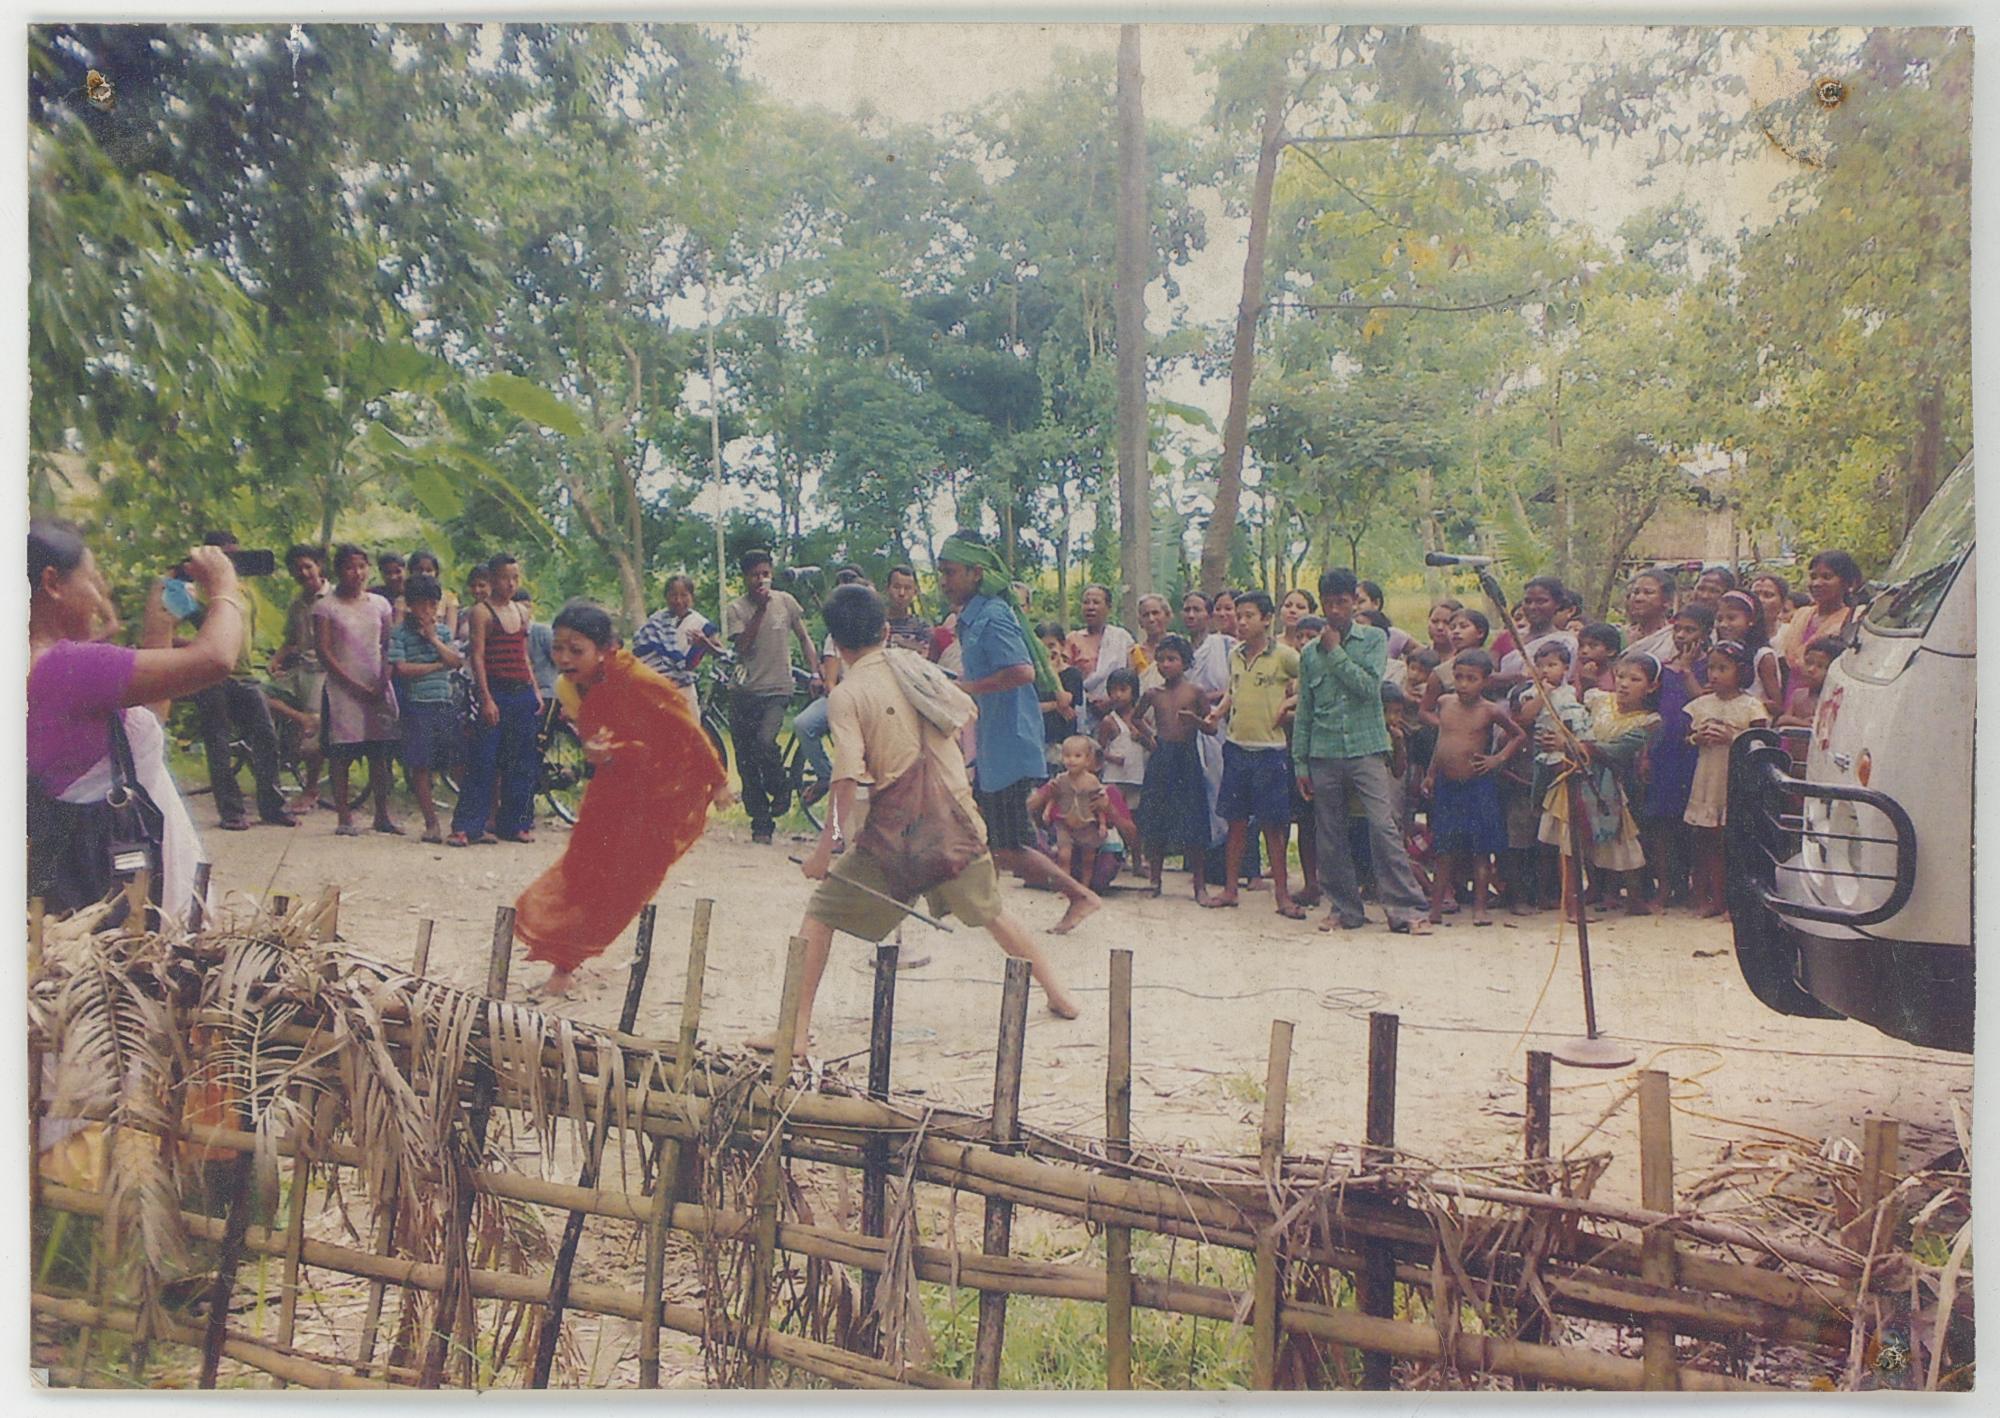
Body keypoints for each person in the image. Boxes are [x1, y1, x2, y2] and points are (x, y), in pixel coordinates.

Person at [752, 584, 1078, 1055]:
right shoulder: (917, 667)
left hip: (898, 833)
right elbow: (964, 716)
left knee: (820, 915)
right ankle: (1059, 994)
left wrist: (827, 847)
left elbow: (845, 777)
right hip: (954, 817)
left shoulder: (848, 694)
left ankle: (795, 1030)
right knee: (993, 913)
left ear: (836, 644)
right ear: (886, 630)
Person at [514, 601, 731, 999]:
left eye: (575, 650)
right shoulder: (570, 687)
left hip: (659, 793)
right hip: (613, 787)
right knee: (581, 868)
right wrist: (598, 751)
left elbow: (685, 729)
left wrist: (717, 780)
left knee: (622, 882)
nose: (563, 658)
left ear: (605, 649)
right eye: (558, 648)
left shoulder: (638, 680)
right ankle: (563, 957)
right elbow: (596, 737)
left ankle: (566, 963)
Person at [29, 526, 241, 924]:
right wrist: (225, 587)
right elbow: (216, 659)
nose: (99, 597)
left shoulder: (37, 665)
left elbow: (136, 737)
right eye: (92, 580)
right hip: (109, 886)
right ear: (52, 583)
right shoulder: (65, 666)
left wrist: (159, 628)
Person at [936, 530, 1101, 933]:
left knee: (1009, 845)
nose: (944, 581)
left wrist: (967, 688)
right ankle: (980, 904)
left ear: (976, 573)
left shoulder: (993, 616)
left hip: (1009, 740)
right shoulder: (972, 616)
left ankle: (1079, 896)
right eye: (942, 572)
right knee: (992, 834)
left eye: (951, 572)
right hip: (994, 739)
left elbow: (1023, 671)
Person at [1294, 568, 1435, 935]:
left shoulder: (1373, 639)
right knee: (1330, 833)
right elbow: (1305, 710)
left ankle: (1406, 910)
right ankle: (1344, 909)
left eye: (1343, 602)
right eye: (1329, 603)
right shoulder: (1308, 653)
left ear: (1354, 603)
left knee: (1382, 826)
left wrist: (1335, 651)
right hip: (1323, 750)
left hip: (1366, 748)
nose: (1335, 610)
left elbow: (1368, 687)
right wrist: (1300, 763)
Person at [181, 530, 295, 831]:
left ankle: (272, 806)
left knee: (266, 737)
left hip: (244, 674)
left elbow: (248, 632)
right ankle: (231, 811)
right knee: (218, 743)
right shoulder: (194, 591)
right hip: (210, 676)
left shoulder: (246, 591)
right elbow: (175, 630)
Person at [1203, 591, 1304, 918]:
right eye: (1239, 616)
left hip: (1270, 751)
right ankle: (1231, 889)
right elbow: (1233, 691)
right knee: (1235, 822)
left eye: (1249, 616)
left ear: (1267, 619)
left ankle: (1282, 896)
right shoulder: (1235, 654)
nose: (1242, 622)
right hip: (1236, 747)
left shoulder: (1285, 656)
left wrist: (1289, 704)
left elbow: (1311, 682)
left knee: (1273, 826)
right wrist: (1218, 713)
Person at [1538, 653, 1660, 916]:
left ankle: (1635, 900)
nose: (1624, 684)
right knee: (1570, 844)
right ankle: (1572, 907)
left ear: (1651, 687)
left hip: (1609, 787)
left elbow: (1616, 750)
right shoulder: (1598, 699)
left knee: (1624, 844)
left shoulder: (1648, 721)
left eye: (1635, 679)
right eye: (1621, 676)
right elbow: (1572, 719)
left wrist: (1569, 744)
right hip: (1574, 778)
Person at [1422, 651, 1525, 926]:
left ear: (1486, 681)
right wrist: (1431, 774)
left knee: (1481, 848)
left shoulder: (1490, 710)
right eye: (1459, 677)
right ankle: (1435, 907)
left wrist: (1497, 759)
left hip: (1477, 785)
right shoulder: (1445, 703)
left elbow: (1518, 735)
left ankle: (1480, 907)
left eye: (1471, 679)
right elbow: (1442, 742)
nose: (1464, 684)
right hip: (1447, 785)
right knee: (1444, 848)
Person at [723, 548, 819, 844]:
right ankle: (761, 823)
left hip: (777, 689)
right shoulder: (736, 609)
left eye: (765, 574)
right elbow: (742, 647)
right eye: (755, 575)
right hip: (745, 691)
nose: (761, 580)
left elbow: (803, 638)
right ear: (745, 578)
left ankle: (781, 787)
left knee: (765, 742)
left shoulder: (786, 602)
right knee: (746, 760)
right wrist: (760, 610)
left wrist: (815, 672)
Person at [450, 553, 542, 847]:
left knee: (522, 760)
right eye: (504, 578)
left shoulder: (521, 612)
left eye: (515, 578)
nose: (511, 584)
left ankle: (515, 824)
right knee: (483, 760)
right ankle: (467, 826)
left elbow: (524, 655)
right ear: (492, 580)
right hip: (496, 689)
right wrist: (486, 698)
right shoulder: (481, 612)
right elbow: (477, 656)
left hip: (521, 690)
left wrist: (535, 690)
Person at [314, 543, 401, 837]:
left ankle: (382, 814)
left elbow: (388, 645)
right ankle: (344, 816)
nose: (357, 573)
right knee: (341, 754)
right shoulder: (326, 607)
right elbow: (324, 651)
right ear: (339, 570)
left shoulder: (380, 604)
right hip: (342, 690)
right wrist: (353, 684)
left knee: (379, 752)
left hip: (377, 684)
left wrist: (383, 679)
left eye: (362, 566)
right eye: (350, 567)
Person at [1684, 639, 1770, 917]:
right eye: (1711, 668)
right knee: (1704, 839)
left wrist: (1733, 738)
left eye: (1723, 668)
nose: (1715, 675)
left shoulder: (1751, 706)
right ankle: (1704, 896)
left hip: (1733, 781)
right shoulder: (1700, 705)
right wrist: (1697, 738)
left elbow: (1760, 745)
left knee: (1728, 841)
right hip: (1706, 779)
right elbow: (1685, 738)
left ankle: (1728, 901)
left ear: (1741, 671)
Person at [1639, 604, 1712, 912]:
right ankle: (1665, 885)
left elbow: (1705, 703)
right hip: (1664, 752)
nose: (1682, 636)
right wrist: (1645, 753)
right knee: (1661, 822)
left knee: (1692, 824)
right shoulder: (1662, 668)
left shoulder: (1712, 667)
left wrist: (1688, 670)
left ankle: (1693, 888)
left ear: (1705, 634)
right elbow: (1650, 713)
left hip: (1695, 753)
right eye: (1678, 629)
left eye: (1690, 630)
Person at [1136, 635, 1215, 899]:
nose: (1165, 665)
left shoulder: (1195, 692)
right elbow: (1137, 717)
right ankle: (1155, 881)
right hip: (1162, 758)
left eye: (1172, 659)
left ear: (1186, 662)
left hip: (1187, 757)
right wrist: (1150, 738)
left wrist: (1195, 721)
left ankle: (1199, 885)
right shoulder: (1153, 694)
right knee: (1156, 817)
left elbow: (1212, 728)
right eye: (1160, 660)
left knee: (1193, 818)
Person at [388, 575, 463, 843]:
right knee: (421, 765)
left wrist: (433, 640)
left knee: (456, 762)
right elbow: (401, 668)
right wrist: (436, 666)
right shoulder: (399, 633)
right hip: (417, 705)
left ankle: (464, 821)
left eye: (433, 604)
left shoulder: (442, 632)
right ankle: (431, 823)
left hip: (443, 702)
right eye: (422, 604)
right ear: (410, 605)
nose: (428, 610)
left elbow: (455, 660)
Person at [267, 543, 330, 813]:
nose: (303, 573)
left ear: (319, 567)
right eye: (297, 569)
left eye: (308, 566)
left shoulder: (334, 599)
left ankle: (311, 789)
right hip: (301, 669)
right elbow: (291, 640)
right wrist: (276, 659)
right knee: (259, 695)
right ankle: (300, 719)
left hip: (324, 671)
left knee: (312, 741)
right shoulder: (297, 604)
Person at [632, 572, 724, 717]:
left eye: (684, 595)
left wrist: (705, 644)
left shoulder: (700, 624)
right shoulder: (656, 621)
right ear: (666, 597)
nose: (678, 600)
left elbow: (721, 653)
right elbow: (641, 652)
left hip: (683, 689)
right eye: (673, 595)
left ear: (692, 597)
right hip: (655, 691)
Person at [1774, 550, 1863, 678]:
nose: (1816, 583)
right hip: (1789, 686)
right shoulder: (1801, 614)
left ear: (1847, 583)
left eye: (1826, 577)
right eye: (1813, 577)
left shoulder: (1853, 619)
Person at [1096, 667, 1150, 871]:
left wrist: (1141, 738)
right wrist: (1112, 758)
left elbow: (1153, 746)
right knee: (1115, 818)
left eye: (1122, 689)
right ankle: (1116, 859)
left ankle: (1137, 860)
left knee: (1135, 820)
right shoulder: (1109, 721)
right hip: (1114, 778)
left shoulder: (1140, 719)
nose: (1117, 695)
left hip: (1136, 777)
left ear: (1133, 692)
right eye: (1113, 690)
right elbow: (1097, 751)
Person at [1066, 584, 1137, 730]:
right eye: (1086, 602)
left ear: (1108, 607)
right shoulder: (1072, 639)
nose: (1090, 607)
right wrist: (1089, 700)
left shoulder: (1122, 638)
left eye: (1096, 602)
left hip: (1118, 716)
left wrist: (1111, 699)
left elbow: (1133, 676)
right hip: (1081, 713)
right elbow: (1065, 677)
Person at [1040, 735, 1110, 882]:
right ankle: (1065, 886)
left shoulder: (1092, 781)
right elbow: (1054, 796)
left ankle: (1085, 886)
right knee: (1064, 856)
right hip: (1064, 823)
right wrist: (1047, 811)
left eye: (1077, 756)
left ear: (1088, 759)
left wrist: (1102, 824)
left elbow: (1099, 804)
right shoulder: (1060, 779)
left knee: (1088, 859)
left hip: (1087, 823)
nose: (1071, 760)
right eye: (1067, 756)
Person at [1495, 576, 1576, 687]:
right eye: (1528, 601)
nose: (1532, 607)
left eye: (1541, 601)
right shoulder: (1508, 637)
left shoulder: (1566, 642)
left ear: (1557, 604)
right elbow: (1485, 675)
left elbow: (1558, 682)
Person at [1715, 590, 1783, 715]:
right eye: (1719, 619)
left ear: (1751, 619)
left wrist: (1743, 701)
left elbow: (1777, 706)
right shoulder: (1718, 652)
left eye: (1731, 618)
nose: (1723, 624)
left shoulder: (1763, 657)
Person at [1036, 622, 1086, 773]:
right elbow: (1031, 707)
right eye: (1042, 647)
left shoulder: (1072, 674)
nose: (1047, 651)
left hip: (1064, 743)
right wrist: (1054, 706)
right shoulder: (1031, 676)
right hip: (1038, 740)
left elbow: (1065, 701)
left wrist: (1052, 671)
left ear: (1062, 645)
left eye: (1051, 645)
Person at [1777, 636, 1843, 729]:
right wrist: (1804, 723)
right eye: (1808, 663)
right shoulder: (1799, 695)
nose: (1811, 669)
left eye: (1820, 666)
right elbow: (1782, 720)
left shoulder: (1836, 701)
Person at [1622, 570, 1677, 662]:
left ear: (1667, 601)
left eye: (1648, 592)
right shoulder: (1621, 635)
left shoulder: (1673, 639)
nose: (1638, 598)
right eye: (1635, 592)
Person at [517, 588, 559, 700]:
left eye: (527, 607)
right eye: (519, 608)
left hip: (547, 693)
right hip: (520, 694)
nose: (524, 612)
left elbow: (560, 662)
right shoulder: (505, 636)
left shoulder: (543, 632)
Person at [883, 564, 934, 654]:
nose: (901, 593)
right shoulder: (876, 624)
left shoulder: (921, 627)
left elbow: (926, 653)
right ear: (887, 588)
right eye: (896, 587)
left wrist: (902, 642)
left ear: (915, 592)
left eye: (907, 588)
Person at [408, 549, 457, 634]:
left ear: (436, 573)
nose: (424, 574)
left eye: (429, 570)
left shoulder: (449, 598)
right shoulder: (404, 598)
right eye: (419, 570)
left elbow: (451, 632)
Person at [1574, 623, 1623, 695]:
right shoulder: (1573, 669)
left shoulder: (1617, 675)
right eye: (1581, 645)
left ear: (1610, 651)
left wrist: (1589, 685)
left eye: (1593, 646)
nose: (1584, 651)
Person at [1748, 572, 1790, 646]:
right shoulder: (1737, 633)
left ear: (1783, 603)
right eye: (1754, 594)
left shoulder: (1790, 634)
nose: (1759, 600)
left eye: (1768, 595)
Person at [455, 565, 491, 642]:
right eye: (473, 586)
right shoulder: (464, 613)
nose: (476, 590)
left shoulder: (500, 614)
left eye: (481, 585)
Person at [371, 551, 408, 619]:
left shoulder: (415, 592)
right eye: (388, 573)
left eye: (398, 572)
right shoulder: (375, 595)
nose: (393, 577)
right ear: (381, 574)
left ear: (405, 570)